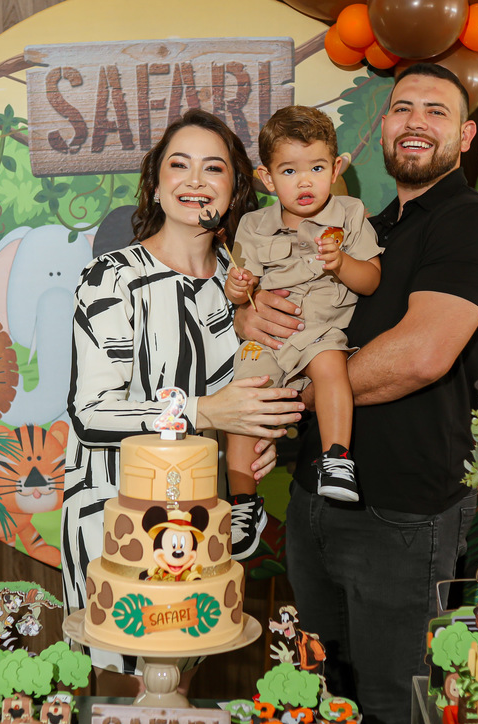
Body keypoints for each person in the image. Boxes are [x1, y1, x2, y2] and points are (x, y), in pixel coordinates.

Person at [236, 64, 478, 724]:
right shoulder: (367, 225)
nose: (416, 120)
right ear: (382, 129)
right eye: (402, 108)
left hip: (401, 510)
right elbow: (299, 312)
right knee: (324, 696)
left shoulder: (469, 221)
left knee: (394, 713)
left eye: (437, 110)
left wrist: (301, 397)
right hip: (314, 499)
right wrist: (250, 315)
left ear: (466, 134)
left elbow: (421, 356)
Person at [61, 109, 304, 682]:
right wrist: (204, 411)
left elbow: (252, 388)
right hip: (115, 516)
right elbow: (91, 415)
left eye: (213, 168)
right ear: (155, 183)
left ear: (236, 188)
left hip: (203, 520)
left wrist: (257, 436)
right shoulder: (112, 278)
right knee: (125, 695)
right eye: (179, 165)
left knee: (183, 689)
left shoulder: (242, 286)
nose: (195, 180)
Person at [223, 106, 382, 540]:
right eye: (290, 171)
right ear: (267, 178)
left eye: (316, 167)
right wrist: (238, 288)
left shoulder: (350, 214)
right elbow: (240, 292)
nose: (305, 181)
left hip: (321, 332)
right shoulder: (254, 225)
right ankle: (242, 502)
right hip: (271, 338)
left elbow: (371, 280)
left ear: (336, 168)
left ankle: (337, 459)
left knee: (331, 366)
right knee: (243, 400)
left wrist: (342, 263)